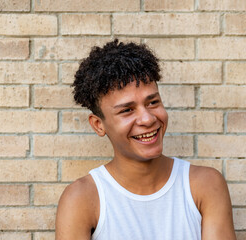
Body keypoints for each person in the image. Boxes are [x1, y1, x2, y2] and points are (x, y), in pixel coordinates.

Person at [55, 39, 236, 240]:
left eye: (152, 102)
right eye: (127, 110)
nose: (148, 119)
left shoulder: (205, 185)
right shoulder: (82, 199)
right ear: (99, 125)